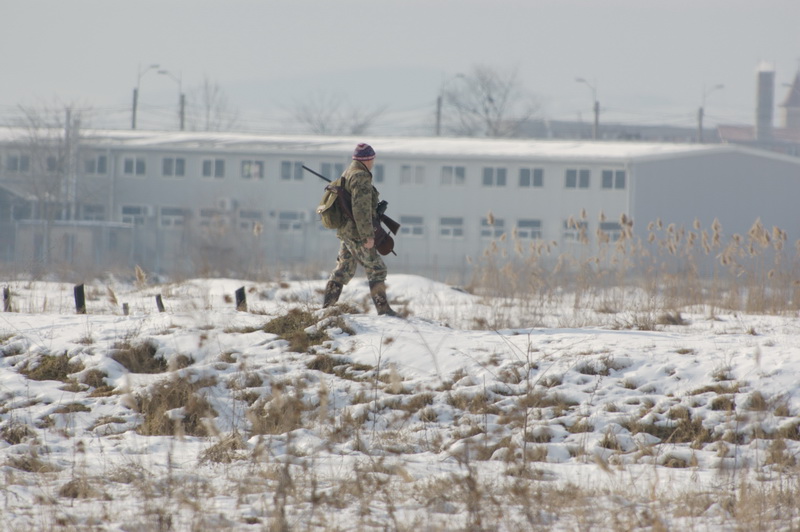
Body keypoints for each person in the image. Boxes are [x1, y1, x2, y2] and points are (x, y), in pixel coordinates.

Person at [322, 143, 397, 316]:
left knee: (343, 269)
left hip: (346, 231)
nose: (373, 162)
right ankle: (383, 310)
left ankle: (326, 308)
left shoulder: (348, 173)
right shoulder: (361, 176)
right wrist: (367, 236)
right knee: (377, 268)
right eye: (373, 159)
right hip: (356, 233)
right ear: (368, 159)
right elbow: (361, 209)